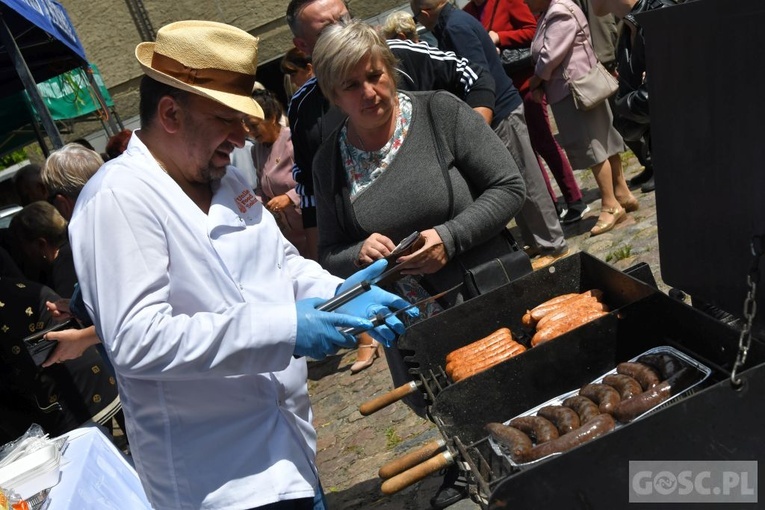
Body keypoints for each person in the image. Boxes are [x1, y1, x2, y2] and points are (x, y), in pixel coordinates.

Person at [68, 20, 413, 510]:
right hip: (220, 481)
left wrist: (343, 295)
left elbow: (282, 266)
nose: (240, 133)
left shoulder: (226, 180)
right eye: (225, 118)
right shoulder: (118, 200)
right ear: (170, 113)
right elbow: (138, 340)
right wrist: (285, 329)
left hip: (289, 448)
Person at [311, 21, 526, 509]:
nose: (370, 92)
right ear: (333, 94)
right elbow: (328, 252)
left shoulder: (438, 113)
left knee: (521, 395)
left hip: (487, 292)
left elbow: (510, 187)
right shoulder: (329, 162)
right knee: (447, 405)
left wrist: (450, 237)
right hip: (412, 321)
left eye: (376, 75)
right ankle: (476, 466)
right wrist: (357, 253)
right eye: (352, 85)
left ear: (390, 68)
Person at [286, 0, 497, 264]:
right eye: (350, 86)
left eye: (345, 19)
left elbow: (475, 79)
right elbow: (313, 200)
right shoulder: (306, 112)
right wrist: (347, 260)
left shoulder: (401, 58)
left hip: (480, 265)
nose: (369, 94)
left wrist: (470, 139)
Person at [411, 0, 569, 269]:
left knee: (526, 179)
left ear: (425, 14)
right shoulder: (455, 22)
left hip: (500, 110)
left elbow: (477, 74)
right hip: (500, 108)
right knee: (515, 178)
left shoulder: (455, 27)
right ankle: (536, 239)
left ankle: (553, 245)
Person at [463, 0, 588, 225]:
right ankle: (551, 205)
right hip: (500, 91)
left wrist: (500, 37)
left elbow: (533, 30)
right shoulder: (467, 13)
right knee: (526, 152)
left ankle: (574, 198)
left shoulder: (507, 2)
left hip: (525, 84)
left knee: (544, 142)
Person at [526, 0, 638, 236]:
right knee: (604, 141)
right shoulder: (555, 10)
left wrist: (535, 80)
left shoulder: (558, 12)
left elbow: (550, 56)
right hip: (580, 86)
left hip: (573, 91)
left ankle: (610, 205)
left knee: (592, 146)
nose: (524, 2)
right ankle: (622, 193)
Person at [0, 275, 121, 444]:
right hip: (103, 385)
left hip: (77, 401)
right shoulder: (22, 287)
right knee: (125, 454)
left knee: (109, 458)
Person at [591, 0, 674, 194]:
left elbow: (655, 99)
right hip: (666, 151)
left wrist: (625, 103)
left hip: (687, 153)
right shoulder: (631, 26)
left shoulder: (659, 16)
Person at [250, 89, 309, 257]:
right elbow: (262, 186)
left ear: (272, 118)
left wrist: (289, 197)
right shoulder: (256, 150)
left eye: (254, 125)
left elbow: (314, 179)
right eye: (247, 126)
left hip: (310, 225)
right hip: (287, 233)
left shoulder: (293, 140)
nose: (250, 132)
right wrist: (254, 204)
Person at [9, 201, 77, 297]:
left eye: (24, 246)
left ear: (41, 244)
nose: (24, 254)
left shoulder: (64, 270)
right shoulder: (76, 248)